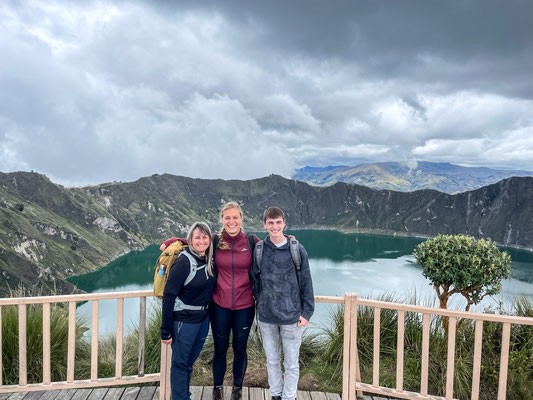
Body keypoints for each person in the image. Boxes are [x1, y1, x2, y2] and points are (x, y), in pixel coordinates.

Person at [160, 202, 258, 400]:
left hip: (245, 306)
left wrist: (287, 239)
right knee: (220, 349)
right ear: (222, 219)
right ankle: (218, 388)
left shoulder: (251, 241)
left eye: (235, 217)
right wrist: (173, 240)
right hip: (219, 306)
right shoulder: (215, 240)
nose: (231, 221)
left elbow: (271, 247)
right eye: (227, 217)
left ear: (241, 218)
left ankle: (237, 389)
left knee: (240, 349)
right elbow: (197, 241)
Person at [251, 207, 314, 400]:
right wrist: (261, 303)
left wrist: (307, 313)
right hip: (267, 316)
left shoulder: (296, 249)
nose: (275, 226)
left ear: (284, 223)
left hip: (292, 317)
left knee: (292, 363)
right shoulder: (260, 249)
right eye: (270, 222)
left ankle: (289, 397)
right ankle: (275, 395)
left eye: (278, 222)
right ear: (264, 224)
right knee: (272, 361)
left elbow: (306, 281)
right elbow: (255, 280)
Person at [161, 222, 217, 400]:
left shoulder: (207, 259)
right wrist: (166, 330)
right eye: (197, 237)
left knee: (188, 363)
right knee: (180, 364)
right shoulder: (184, 261)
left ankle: (184, 396)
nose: (201, 241)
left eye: (204, 237)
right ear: (190, 240)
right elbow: (169, 295)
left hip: (202, 320)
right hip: (184, 322)